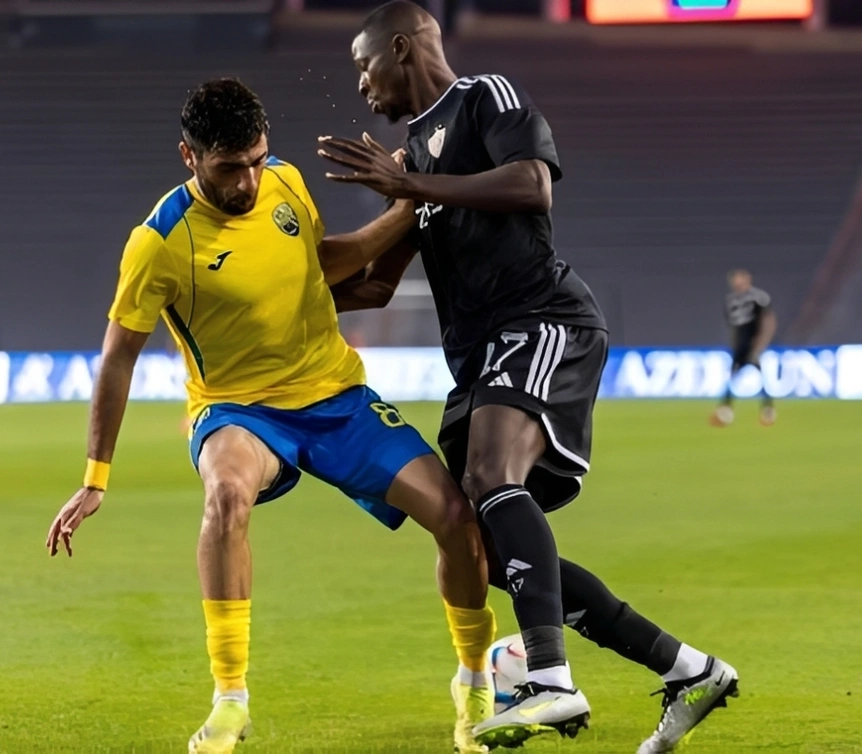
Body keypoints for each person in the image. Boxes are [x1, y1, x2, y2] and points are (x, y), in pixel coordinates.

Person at [319, 3, 738, 752]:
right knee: (480, 541)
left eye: (363, 64)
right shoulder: (411, 159)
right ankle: (689, 669)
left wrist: (416, 186)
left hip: (540, 318)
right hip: (479, 356)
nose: (361, 84)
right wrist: (267, 298)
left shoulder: (485, 97)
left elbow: (530, 184)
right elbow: (377, 285)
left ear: (402, 47)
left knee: (490, 474)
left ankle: (549, 678)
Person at [44, 79, 498, 754]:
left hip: (336, 395)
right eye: (231, 168)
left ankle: (475, 683)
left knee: (457, 519)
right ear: (189, 157)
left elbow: (320, 265)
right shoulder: (159, 242)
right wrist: (94, 477)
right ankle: (230, 701)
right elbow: (117, 358)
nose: (250, 181)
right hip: (239, 410)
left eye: (257, 159)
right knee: (226, 496)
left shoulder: (285, 181)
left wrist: (406, 208)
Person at [712, 269, 776, 427]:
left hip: (753, 345)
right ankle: (727, 409)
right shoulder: (730, 300)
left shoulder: (758, 297)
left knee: (759, 376)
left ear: (747, 279)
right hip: (739, 345)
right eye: (735, 280)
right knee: (733, 375)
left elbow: (768, 321)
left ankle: (767, 409)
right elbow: (733, 325)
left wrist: (761, 343)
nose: (737, 282)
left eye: (740, 279)